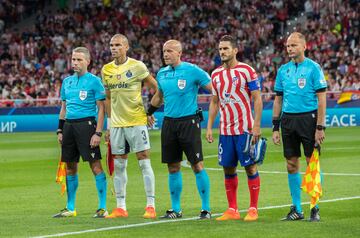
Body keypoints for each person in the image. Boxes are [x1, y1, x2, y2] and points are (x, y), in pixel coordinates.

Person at [148, 39, 212, 219]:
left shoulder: (193, 70)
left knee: (197, 165)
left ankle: (205, 209)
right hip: (169, 123)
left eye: (169, 51)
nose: (166, 54)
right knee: (173, 167)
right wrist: (148, 112)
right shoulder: (162, 73)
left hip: (189, 123)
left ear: (179, 53)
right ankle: (176, 209)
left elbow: (213, 89)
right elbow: (159, 96)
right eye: (163, 51)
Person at [206, 35, 263, 221]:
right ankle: (233, 209)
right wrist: (209, 127)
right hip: (225, 131)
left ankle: (253, 208)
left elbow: (257, 98)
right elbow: (214, 102)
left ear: (235, 50)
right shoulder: (215, 74)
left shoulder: (247, 70)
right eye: (220, 49)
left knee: (250, 167)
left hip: (245, 129)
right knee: (228, 169)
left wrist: (256, 125)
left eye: (226, 49)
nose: (222, 52)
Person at [272, 32, 327, 222]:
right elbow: (278, 100)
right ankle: (297, 208)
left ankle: (315, 207)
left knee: (312, 163)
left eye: (294, 45)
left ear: (304, 46)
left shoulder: (313, 68)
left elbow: (321, 100)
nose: (290, 49)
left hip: (309, 120)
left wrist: (320, 127)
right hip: (288, 121)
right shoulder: (283, 71)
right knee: (291, 164)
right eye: (288, 46)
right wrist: (275, 127)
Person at [102, 34, 157, 219]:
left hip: (136, 121)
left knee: (143, 160)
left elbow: (156, 88)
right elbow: (108, 98)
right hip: (117, 124)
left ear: (126, 47)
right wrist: (108, 126)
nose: (113, 48)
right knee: (119, 164)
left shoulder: (137, 66)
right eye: (111, 45)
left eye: (117, 45)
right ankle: (120, 207)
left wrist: (150, 112)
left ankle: (150, 205)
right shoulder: (106, 69)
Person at [53, 47, 107, 218]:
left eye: (79, 60)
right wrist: (60, 129)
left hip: (87, 126)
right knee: (70, 167)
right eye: (73, 59)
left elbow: (101, 109)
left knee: (95, 165)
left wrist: (98, 133)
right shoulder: (67, 81)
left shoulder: (94, 81)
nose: (75, 63)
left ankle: (102, 207)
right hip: (69, 126)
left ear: (87, 62)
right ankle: (70, 207)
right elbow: (63, 108)